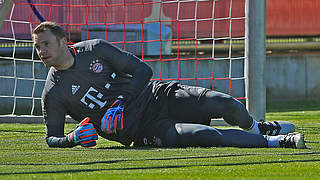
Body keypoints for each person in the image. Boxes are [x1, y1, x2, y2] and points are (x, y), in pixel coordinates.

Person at [32, 21, 306, 149]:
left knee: (226, 103)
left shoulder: (95, 49)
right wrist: (70, 139)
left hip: (159, 95)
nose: (41, 51)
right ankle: (278, 142)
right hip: (143, 130)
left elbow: (143, 69)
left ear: (63, 41)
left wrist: (120, 102)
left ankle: (256, 126)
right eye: (37, 47)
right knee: (205, 136)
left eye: (45, 44)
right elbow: (51, 137)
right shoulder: (53, 92)